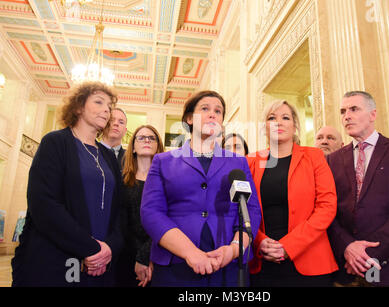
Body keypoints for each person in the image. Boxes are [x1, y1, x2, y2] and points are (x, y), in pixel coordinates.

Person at [140, 90, 262, 287]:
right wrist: (191, 253)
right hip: (176, 265)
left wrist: (233, 249)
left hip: (228, 267)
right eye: (205, 109)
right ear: (189, 118)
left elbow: (251, 210)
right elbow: (151, 213)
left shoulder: (238, 162)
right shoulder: (163, 161)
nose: (213, 114)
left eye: (218, 111)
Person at [11, 81, 123, 286]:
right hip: (56, 260)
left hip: (102, 264)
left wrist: (109, 248)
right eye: (99, 102)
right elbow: (43, 205)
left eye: (109, 106)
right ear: (78, 106)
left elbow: (119, 210)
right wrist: (91, 248)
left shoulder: (108, 155)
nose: (106, 110)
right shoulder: (54, 142)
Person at [327, 91, 389, 287]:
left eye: (354, 109)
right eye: (343, 111)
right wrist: (347, 247)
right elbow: (327, 211)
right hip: (347, 272)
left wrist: (365, 254)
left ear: (373, 114)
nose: (346, 116)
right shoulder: (332, 160)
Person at [247, 100, 338, 287]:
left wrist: (290, 246)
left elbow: (327, 206)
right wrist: (259, 241)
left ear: (295, 126)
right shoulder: (250, 162)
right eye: (272, 118)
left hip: (310, 261)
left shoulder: (314, 157)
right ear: (264, 127)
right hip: (263, 262)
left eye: (285, 117)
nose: (278, 122)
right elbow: (242, 211)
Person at [116, 124, 164, 287]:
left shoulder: (167, 180)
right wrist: (137, 257)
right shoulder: (120, 180)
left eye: (152, 138)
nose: (147, 141)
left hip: (158, 255)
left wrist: (146, 256)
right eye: (141, 137)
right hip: (125, 256)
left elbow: (167, 221)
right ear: (133, 147)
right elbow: (120, 222)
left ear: (158, 146)